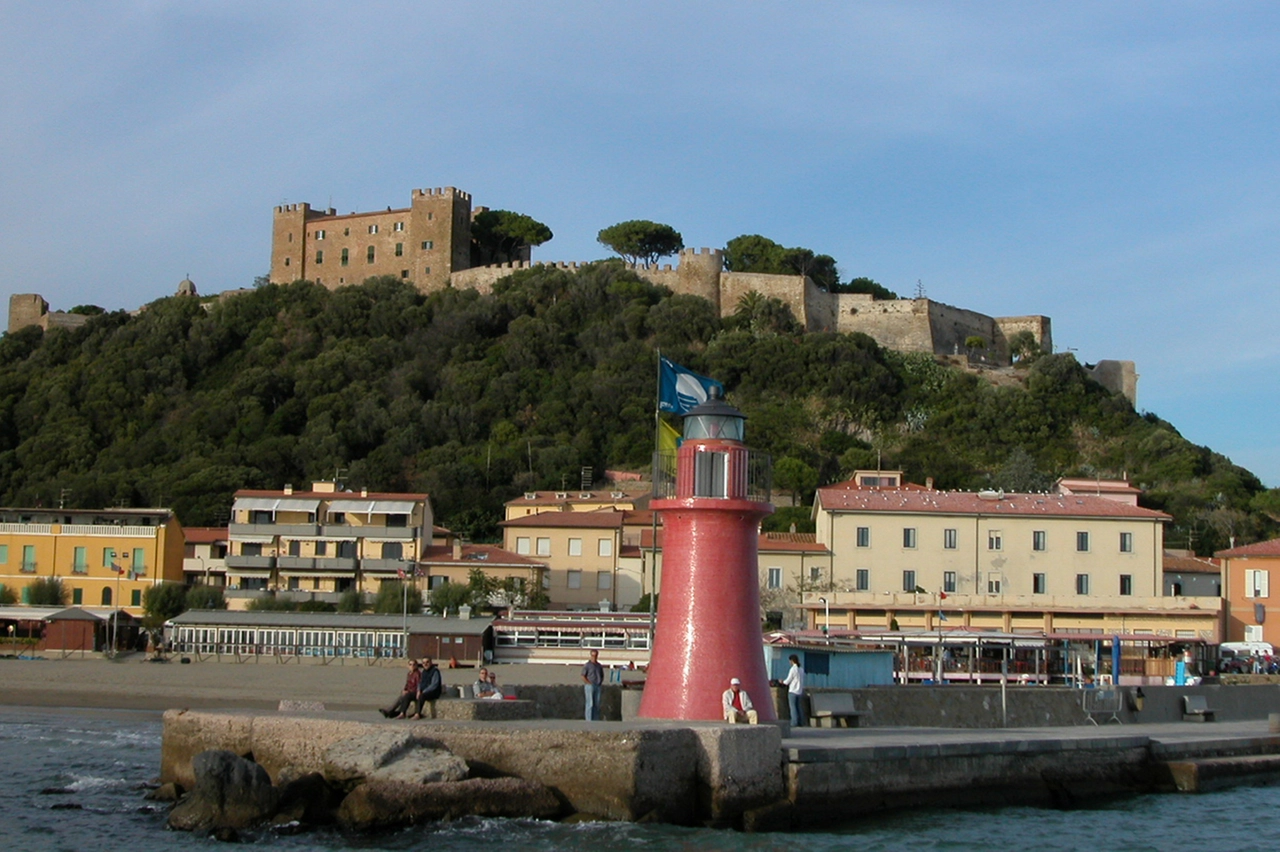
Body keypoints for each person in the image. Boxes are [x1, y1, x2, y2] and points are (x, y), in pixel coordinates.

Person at [782, 654, 805, 728]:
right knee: (799, 707)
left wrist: (782, 682)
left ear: (792, 661)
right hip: (800, 691)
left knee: (793, 707)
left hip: (793, 691)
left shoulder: (793, 669)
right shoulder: (801, 669)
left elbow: (788, 680)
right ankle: (801, 722)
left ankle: (794, 722)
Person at [582, 649, 604, 720]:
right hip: (589, 685)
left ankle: (595, 720)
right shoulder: (587, 665)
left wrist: (600, 682)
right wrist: (588, 683)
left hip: (597, 685)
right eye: (593, 655)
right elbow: (583, 676)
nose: (594, 657)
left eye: (595, 655)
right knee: (590, 704)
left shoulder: (599, 665)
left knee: (596, 704)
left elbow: (601, 675)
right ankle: (588, 720)